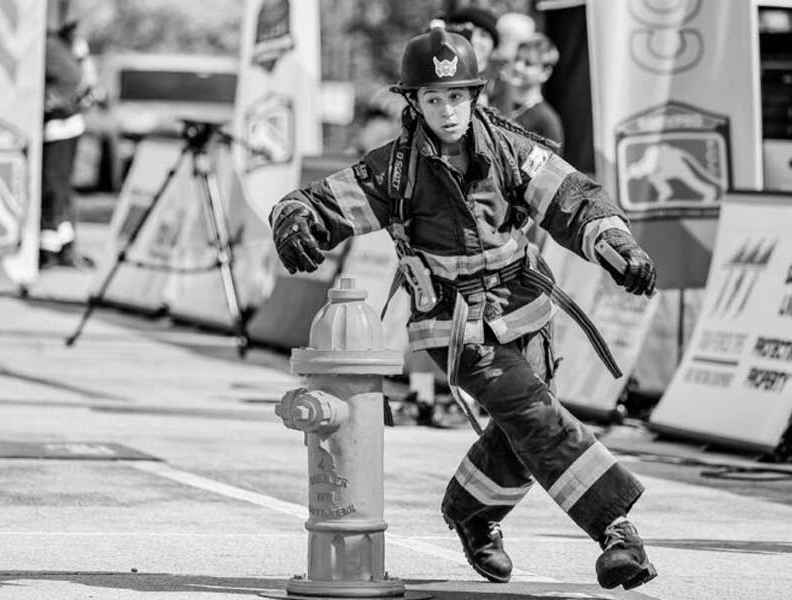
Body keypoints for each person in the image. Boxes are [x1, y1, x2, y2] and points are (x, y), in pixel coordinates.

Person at [268, 26, 658, 591]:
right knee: (534, 418)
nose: (447, 111)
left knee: (523, 434)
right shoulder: (393, 170)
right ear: (414, 103)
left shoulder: (511, 150)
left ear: (475, 96)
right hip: (455, 329)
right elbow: (314, 202)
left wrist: (615, 243)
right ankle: (616, 529)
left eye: (456, 97)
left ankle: (472, 513)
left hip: (528, 314)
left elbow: (575, 200)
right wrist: (293, 219)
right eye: (433, 99)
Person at [40, 21, 98, 269]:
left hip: (59, 127)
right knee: (59, 189)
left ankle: (53, 250)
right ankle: (61, 247)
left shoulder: (52, 46)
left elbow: (80, 82)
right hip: (63, 125)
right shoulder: (55, 46)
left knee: (55, 188)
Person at [503, 32, 564, 151]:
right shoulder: (498, 101)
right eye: (517, 59)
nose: (517, 67)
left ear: (545, 73)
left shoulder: (547, 122)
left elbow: (551, 168)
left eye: (528, 63)